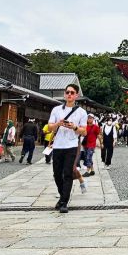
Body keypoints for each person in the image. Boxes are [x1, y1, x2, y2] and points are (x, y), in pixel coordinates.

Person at [47, 83, 87, 213]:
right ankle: (63, 196)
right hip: (58, 146)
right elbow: (49, 127)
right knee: (57, 174)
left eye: (72, 92)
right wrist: (59, 123)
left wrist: (74, 127)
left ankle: (64, 202)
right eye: (67, 92)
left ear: (76, 95)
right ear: (65, 94)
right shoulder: (56, 110)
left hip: (71, 146)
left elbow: (84, 132)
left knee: (68, 174)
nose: (69, 94)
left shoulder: (81, 112)